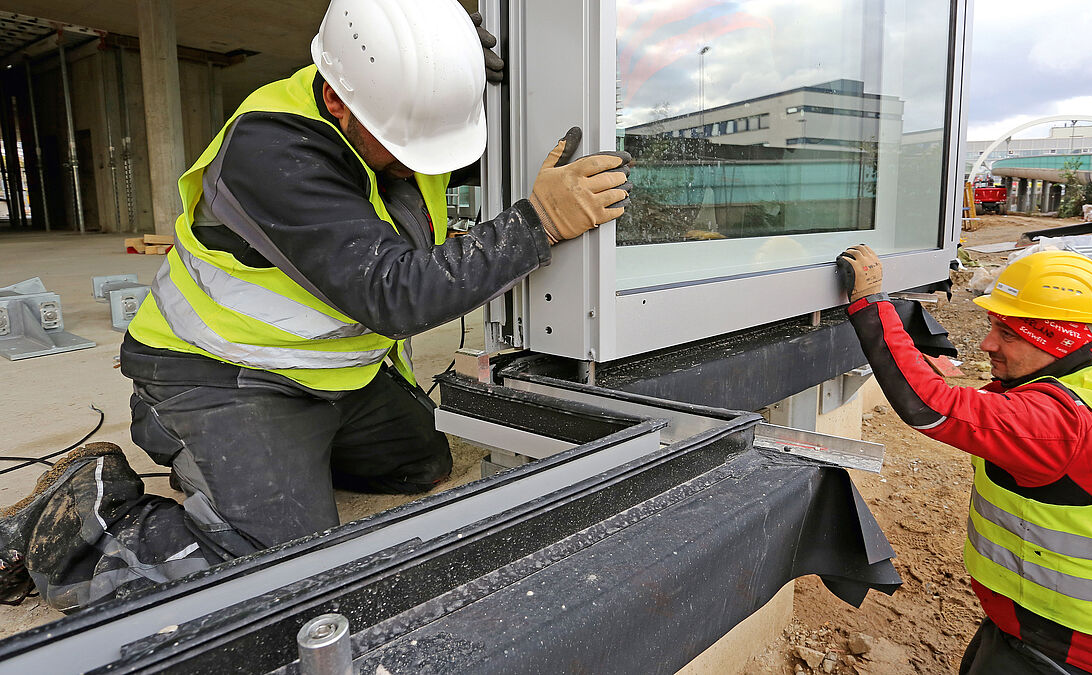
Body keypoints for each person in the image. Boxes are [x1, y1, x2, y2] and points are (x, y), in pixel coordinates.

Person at [0, 0, 631, 611]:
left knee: (422, 463)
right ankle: (88, 514)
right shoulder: (271, 150)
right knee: (283, 570)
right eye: (405, 141)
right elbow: (395, 292)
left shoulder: (386, 115)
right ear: (336, 98)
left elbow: (430, 156)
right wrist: (538, 222)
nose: (419, 162)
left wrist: (441, 71)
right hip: (220, 374)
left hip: (329, 377)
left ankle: (261, 464)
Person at [836, 245, 1092, 675]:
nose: (987, 343)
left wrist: (871, 305)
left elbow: (933, 408)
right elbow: (1004, 408)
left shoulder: (1063, 425)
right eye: (993, 325)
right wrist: (919, 363)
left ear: (1059, 339)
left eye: (1011, 334)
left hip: (1074, 652)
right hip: (1056, 626)